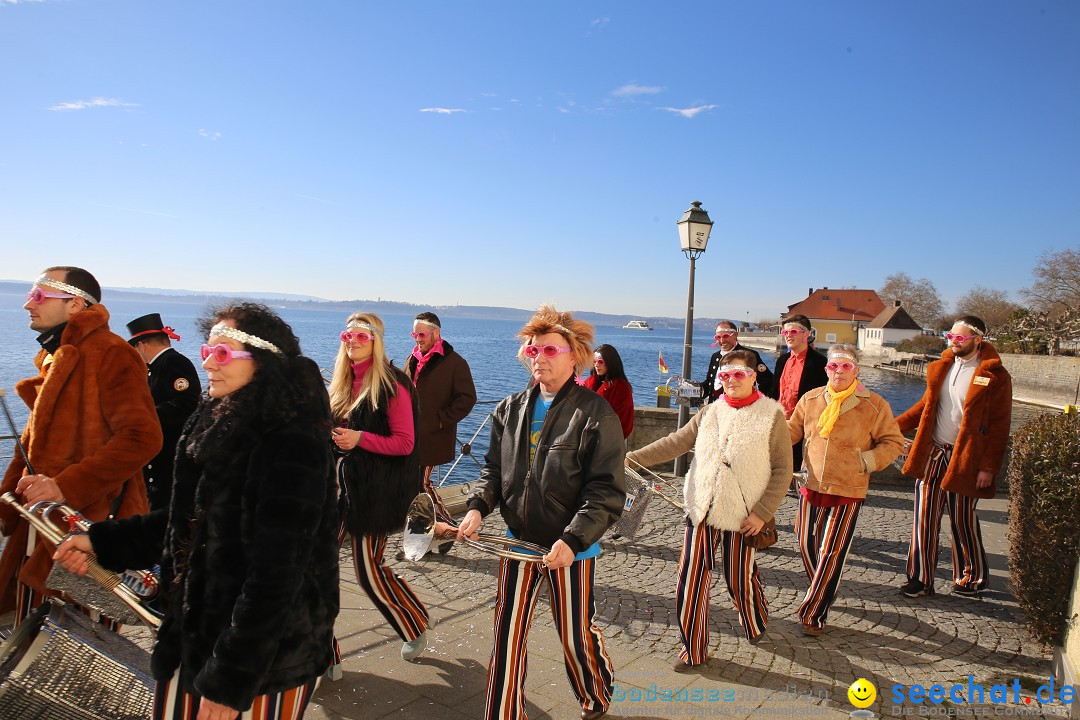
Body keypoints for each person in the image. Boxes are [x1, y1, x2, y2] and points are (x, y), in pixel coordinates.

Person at [53, 301, 339, 720]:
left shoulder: (293, 444)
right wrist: (99, 541)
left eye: (222, 353)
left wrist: (230, 680)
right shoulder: (211, 420)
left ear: (263, 362)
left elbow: (277, 577)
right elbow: (182, 523)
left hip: (264, 660)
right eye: (207, 351)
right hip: (193, 637)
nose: (207, 363)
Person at [456, 305, 625, 720]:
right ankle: (504, 713)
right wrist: (478, 507)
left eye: (550, 350)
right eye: (533, 351)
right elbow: (494, 471)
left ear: (574, 356)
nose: (540, 358)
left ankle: (595, 692)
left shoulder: (595, 413)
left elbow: (605, 491)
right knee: (507, 634)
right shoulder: (510, 409)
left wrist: (573, 539)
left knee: (573, 634)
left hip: (571, 548)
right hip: (518, 543)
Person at [0, 267, 161, 626]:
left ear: (75, 304)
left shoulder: (112, 352)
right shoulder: (57, 355)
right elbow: (30, 445)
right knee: (31, 633)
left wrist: (65, 485)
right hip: (41, 522)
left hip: (90, 525)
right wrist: (6, 507)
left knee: (82, 645)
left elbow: (142, 437)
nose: (28, 304)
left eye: (39, 296)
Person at [626, 349, 791, 665]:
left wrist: (763, 513)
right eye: (725, 375)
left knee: (738, 576)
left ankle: (755, 618)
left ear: (754, 376)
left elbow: (783, 469)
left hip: (743, 515)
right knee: (690, 578)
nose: (730, 380)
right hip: (700, 509)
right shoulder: (709, 412)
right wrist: (632, 457)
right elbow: (677, 442)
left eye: (738, 374)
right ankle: (693, 650)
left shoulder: (772, 416)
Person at [328, 312, 429, 661]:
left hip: (374, 493)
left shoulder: (393, 384)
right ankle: (321, 654)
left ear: (376, 340)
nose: (353, 342)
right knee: (315, 571)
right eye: (348, 336)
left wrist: (359, 438)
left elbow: (404, 443)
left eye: (361, 336)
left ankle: (413, 623)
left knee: (368, 574)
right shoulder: (341, 382)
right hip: (335, 491)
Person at [787, 344, 905, 635]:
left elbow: (893, 442)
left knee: (832, 552)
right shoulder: (811, 398)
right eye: (833, 367)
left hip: (849, 487)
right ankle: (826, 586)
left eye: (845, 367)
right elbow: (791, 431)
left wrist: (865, 461)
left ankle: (814, 613)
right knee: (805, 543)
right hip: (811, 482)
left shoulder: (874, 405)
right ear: (826, 369)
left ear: (856, 370)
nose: (838, 372)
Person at [895, 315, 1012, 599]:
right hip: (933, 453)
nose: (953, 342)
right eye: (950, 336)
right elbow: (924, 407)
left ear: (977, 339)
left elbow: (1000, 425)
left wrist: (989, 467)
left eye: (959, 338)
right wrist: (889, 428)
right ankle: (920, 579)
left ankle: (971, 576)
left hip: (966, 459)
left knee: (961, 519)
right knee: (924, 517)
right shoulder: (941, 367)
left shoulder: (996, 375)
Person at [403, 311, 477, 534]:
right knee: (414, 487)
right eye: (414, 334)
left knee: (423, 485)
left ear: (436, 333)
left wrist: (439, 421)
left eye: (422, 334)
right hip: (409, 436)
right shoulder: (413, 357)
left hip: (433, 436)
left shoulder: (455, 362)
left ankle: (449, 530)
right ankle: (427, 533)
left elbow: (467, 399)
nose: (418, 338)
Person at [126, 313, 202, 511]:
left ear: (142, 345)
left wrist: (141, 417)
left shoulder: (173, 363)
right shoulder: (156, 368)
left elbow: (186, 404)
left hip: (171, 455)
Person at [766, 314, 829, 472]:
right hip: (781, 422)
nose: (788, 336)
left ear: (806, 334)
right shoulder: (782, 360)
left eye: (793, 332)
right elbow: (775, 392)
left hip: (804, 427)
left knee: (801, 470)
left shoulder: (820, 363)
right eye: (785, 333)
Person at [701, 321, 774, 400]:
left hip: (739, 408)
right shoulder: (715, 356)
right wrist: (694, 390)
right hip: (716, 407)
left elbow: (768, 381)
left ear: (735, 335)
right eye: (718, 337)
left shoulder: (748, 355)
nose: (722, 340)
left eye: (725, 336)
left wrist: (756, 401)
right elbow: (710, 383)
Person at [583, 344, 635, 439]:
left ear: (610, 363)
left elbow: (624, 420)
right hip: (584, 437)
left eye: (600, 362)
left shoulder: (621, 387)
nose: (596, 365)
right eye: (594, 362)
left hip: (609, 439)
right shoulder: (588, 382)